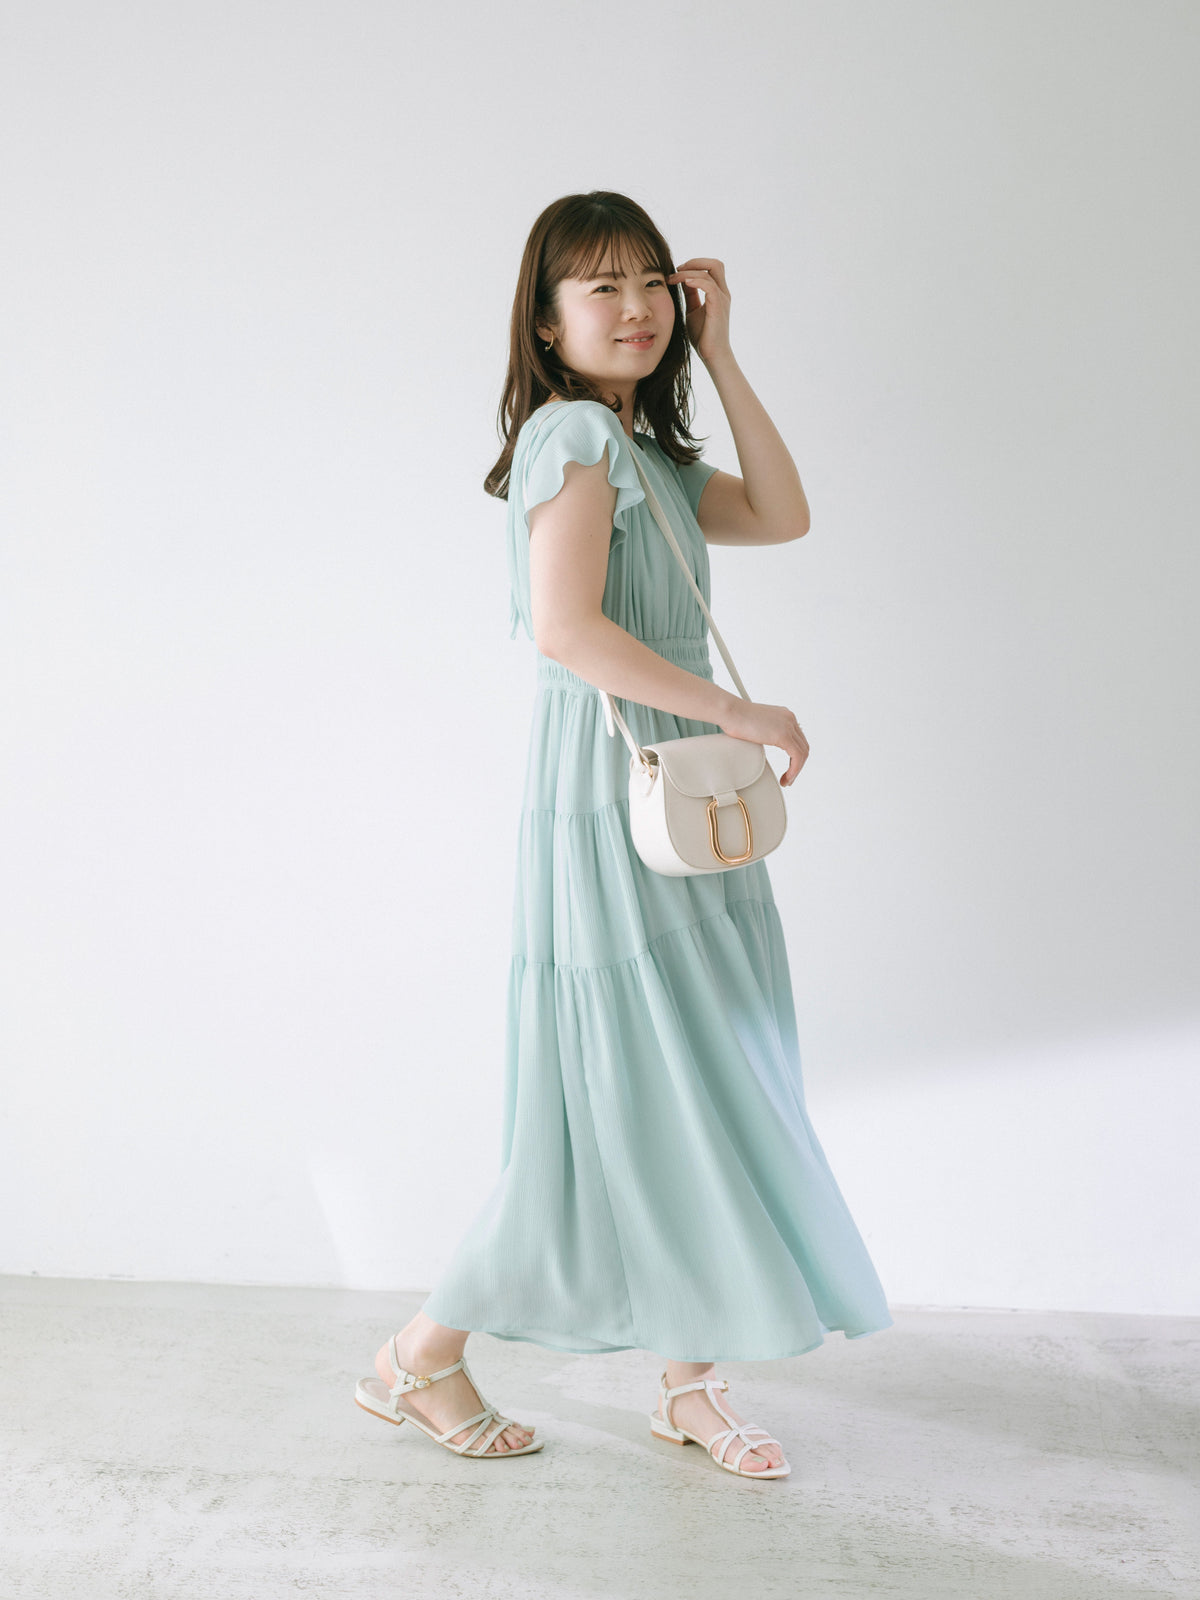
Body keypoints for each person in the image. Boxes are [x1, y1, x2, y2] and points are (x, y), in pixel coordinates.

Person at [354, 191, 892, 1477]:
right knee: (617, 1094)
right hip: (621, 786)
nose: (638, 305)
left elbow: (784, 511)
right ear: (546, 322)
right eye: (602, 286)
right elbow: (565, 630)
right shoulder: (575, 435)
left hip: (677, 787)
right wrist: (737, 708)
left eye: (652, 281)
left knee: (695, 1079)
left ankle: (689, 1381)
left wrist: (724, 355)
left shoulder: (638, 449)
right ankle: (419, 1353)